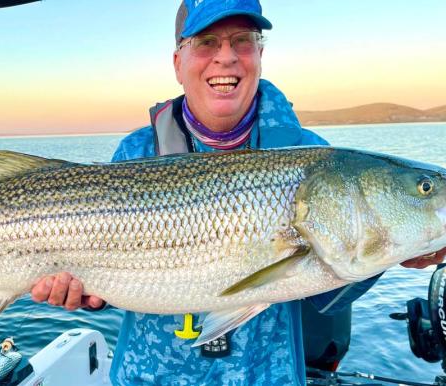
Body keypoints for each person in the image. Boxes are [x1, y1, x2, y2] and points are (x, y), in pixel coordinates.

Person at [31, 0, 446, 384]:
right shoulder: (138, 150)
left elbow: (332, 292)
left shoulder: (311, 156)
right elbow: (124, 278)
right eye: (206, 41)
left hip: (267, 376)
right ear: (179, 62)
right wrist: (90, 298)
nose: (225, 56)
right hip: (150, 376)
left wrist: (391, 254)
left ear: (259, 55)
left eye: (242, 41)